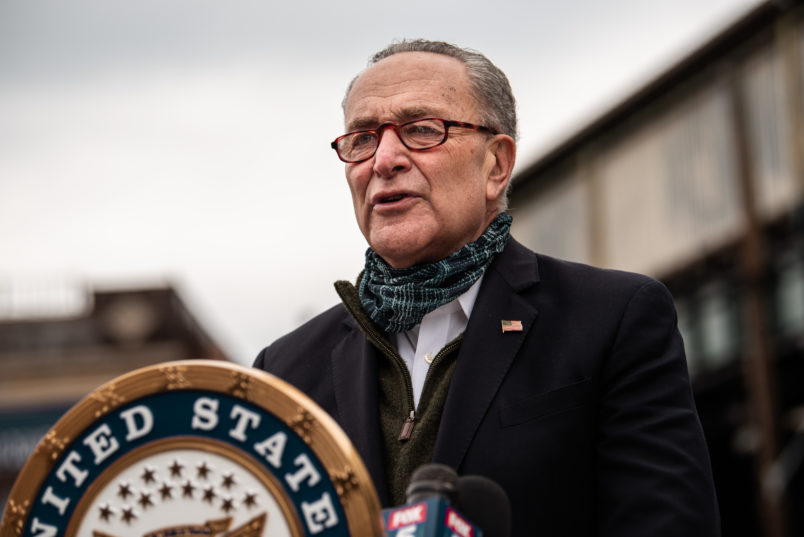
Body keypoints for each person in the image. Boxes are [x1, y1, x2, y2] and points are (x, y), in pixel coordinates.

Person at [253, 39, 720, 536]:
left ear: (496, 165)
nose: (383, 159)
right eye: (362, 138)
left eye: (422, 130)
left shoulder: (611, 320)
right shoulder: (283, 374)